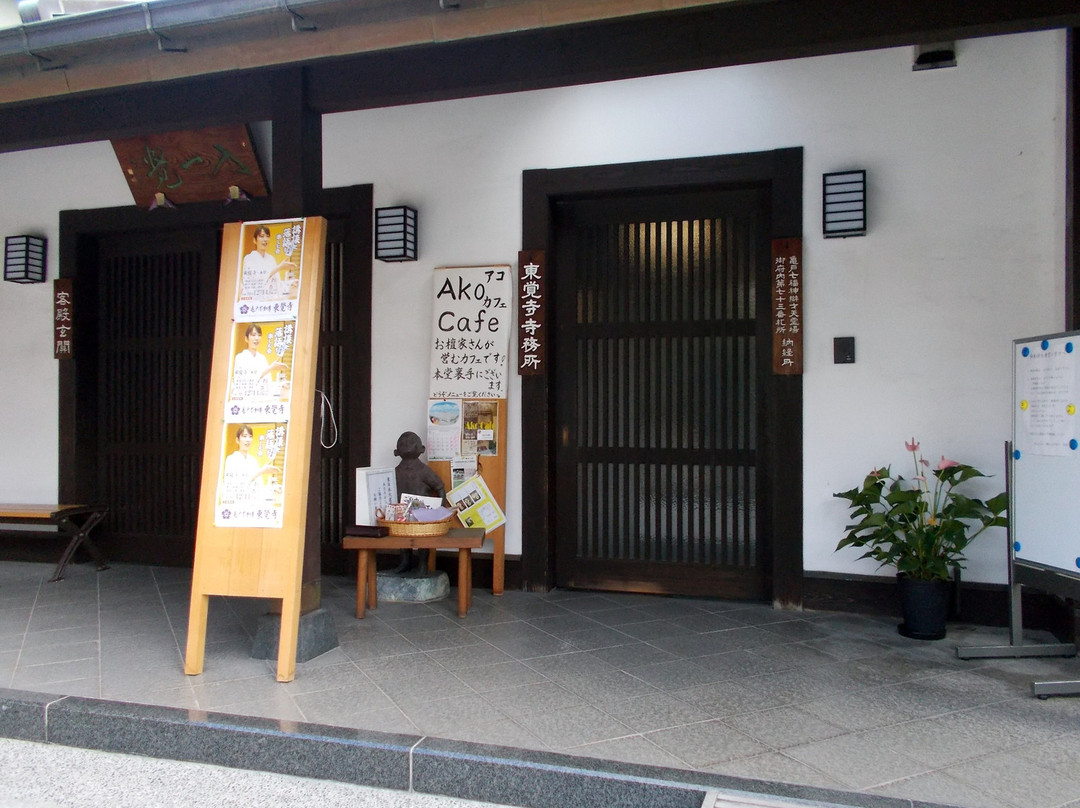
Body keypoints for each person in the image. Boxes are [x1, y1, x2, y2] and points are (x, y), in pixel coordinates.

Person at [392, 431, 447, 575]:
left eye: (411, 441)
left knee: (423, 540)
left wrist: (440, 509)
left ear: (421, 449)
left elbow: (439, 486)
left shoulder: (424, 470)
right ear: (396, 451)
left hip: (423, 513)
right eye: (403, 441)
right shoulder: (396, 471)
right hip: (402, 511)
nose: (407, 442)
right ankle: (405, 562)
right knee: (402, 538)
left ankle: (423, 564)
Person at [222, 424, 278, 502]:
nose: (247, 440)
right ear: (237, 440)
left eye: (250, 436)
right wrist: (261, 471)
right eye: (244, 436)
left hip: (252, 505)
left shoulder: (253, 461)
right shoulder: (231, 459)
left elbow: (259, 488)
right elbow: (234, 487)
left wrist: (271, 489)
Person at [232, 324, 287, 399]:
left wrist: (280, 386)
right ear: (246, 339)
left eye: (259, 335)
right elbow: (245, 382)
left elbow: (268, 384)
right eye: (253, 335)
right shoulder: (240, 357)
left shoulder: (262, 358)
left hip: (261, 402)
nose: (257, 338)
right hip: (246, 402)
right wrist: (270, 368)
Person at [242, 224, 297, 298]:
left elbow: (277, 284)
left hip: (271, 301)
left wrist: (291, 284)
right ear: (255, 240)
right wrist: (279, 268)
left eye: (267, 236)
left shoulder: (271, 259)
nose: (265, 239)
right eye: (262, 236)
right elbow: (258, 280)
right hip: (255, 302)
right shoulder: (249, 258)